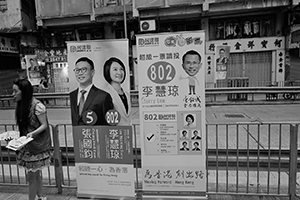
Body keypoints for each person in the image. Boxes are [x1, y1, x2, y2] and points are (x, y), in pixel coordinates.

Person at [12, 78, 51, 200]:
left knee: (31, 178)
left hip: (37, 147)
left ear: (24, 92)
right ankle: (42, 197)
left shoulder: (37, 106)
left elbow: (44, 125)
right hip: (28, 146)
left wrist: (33, 133)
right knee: (35, 175)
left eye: (15, 91)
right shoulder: (21, 105)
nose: (13, 95)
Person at [70, 57, 114, 126]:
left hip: (95, 135)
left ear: (92, 72)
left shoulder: (103, 96)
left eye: (84, 70)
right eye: (77, 70)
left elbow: (109, 125)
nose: (80, 73)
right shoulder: (72, 95)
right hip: (77, 136)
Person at [103, 57, 131, 125]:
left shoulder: (127, 94)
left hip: (127, 133)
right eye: (115, 69)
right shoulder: (105, 94)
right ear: (108, 71)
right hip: (114, 133)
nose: (119, 72)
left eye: (121, 69)